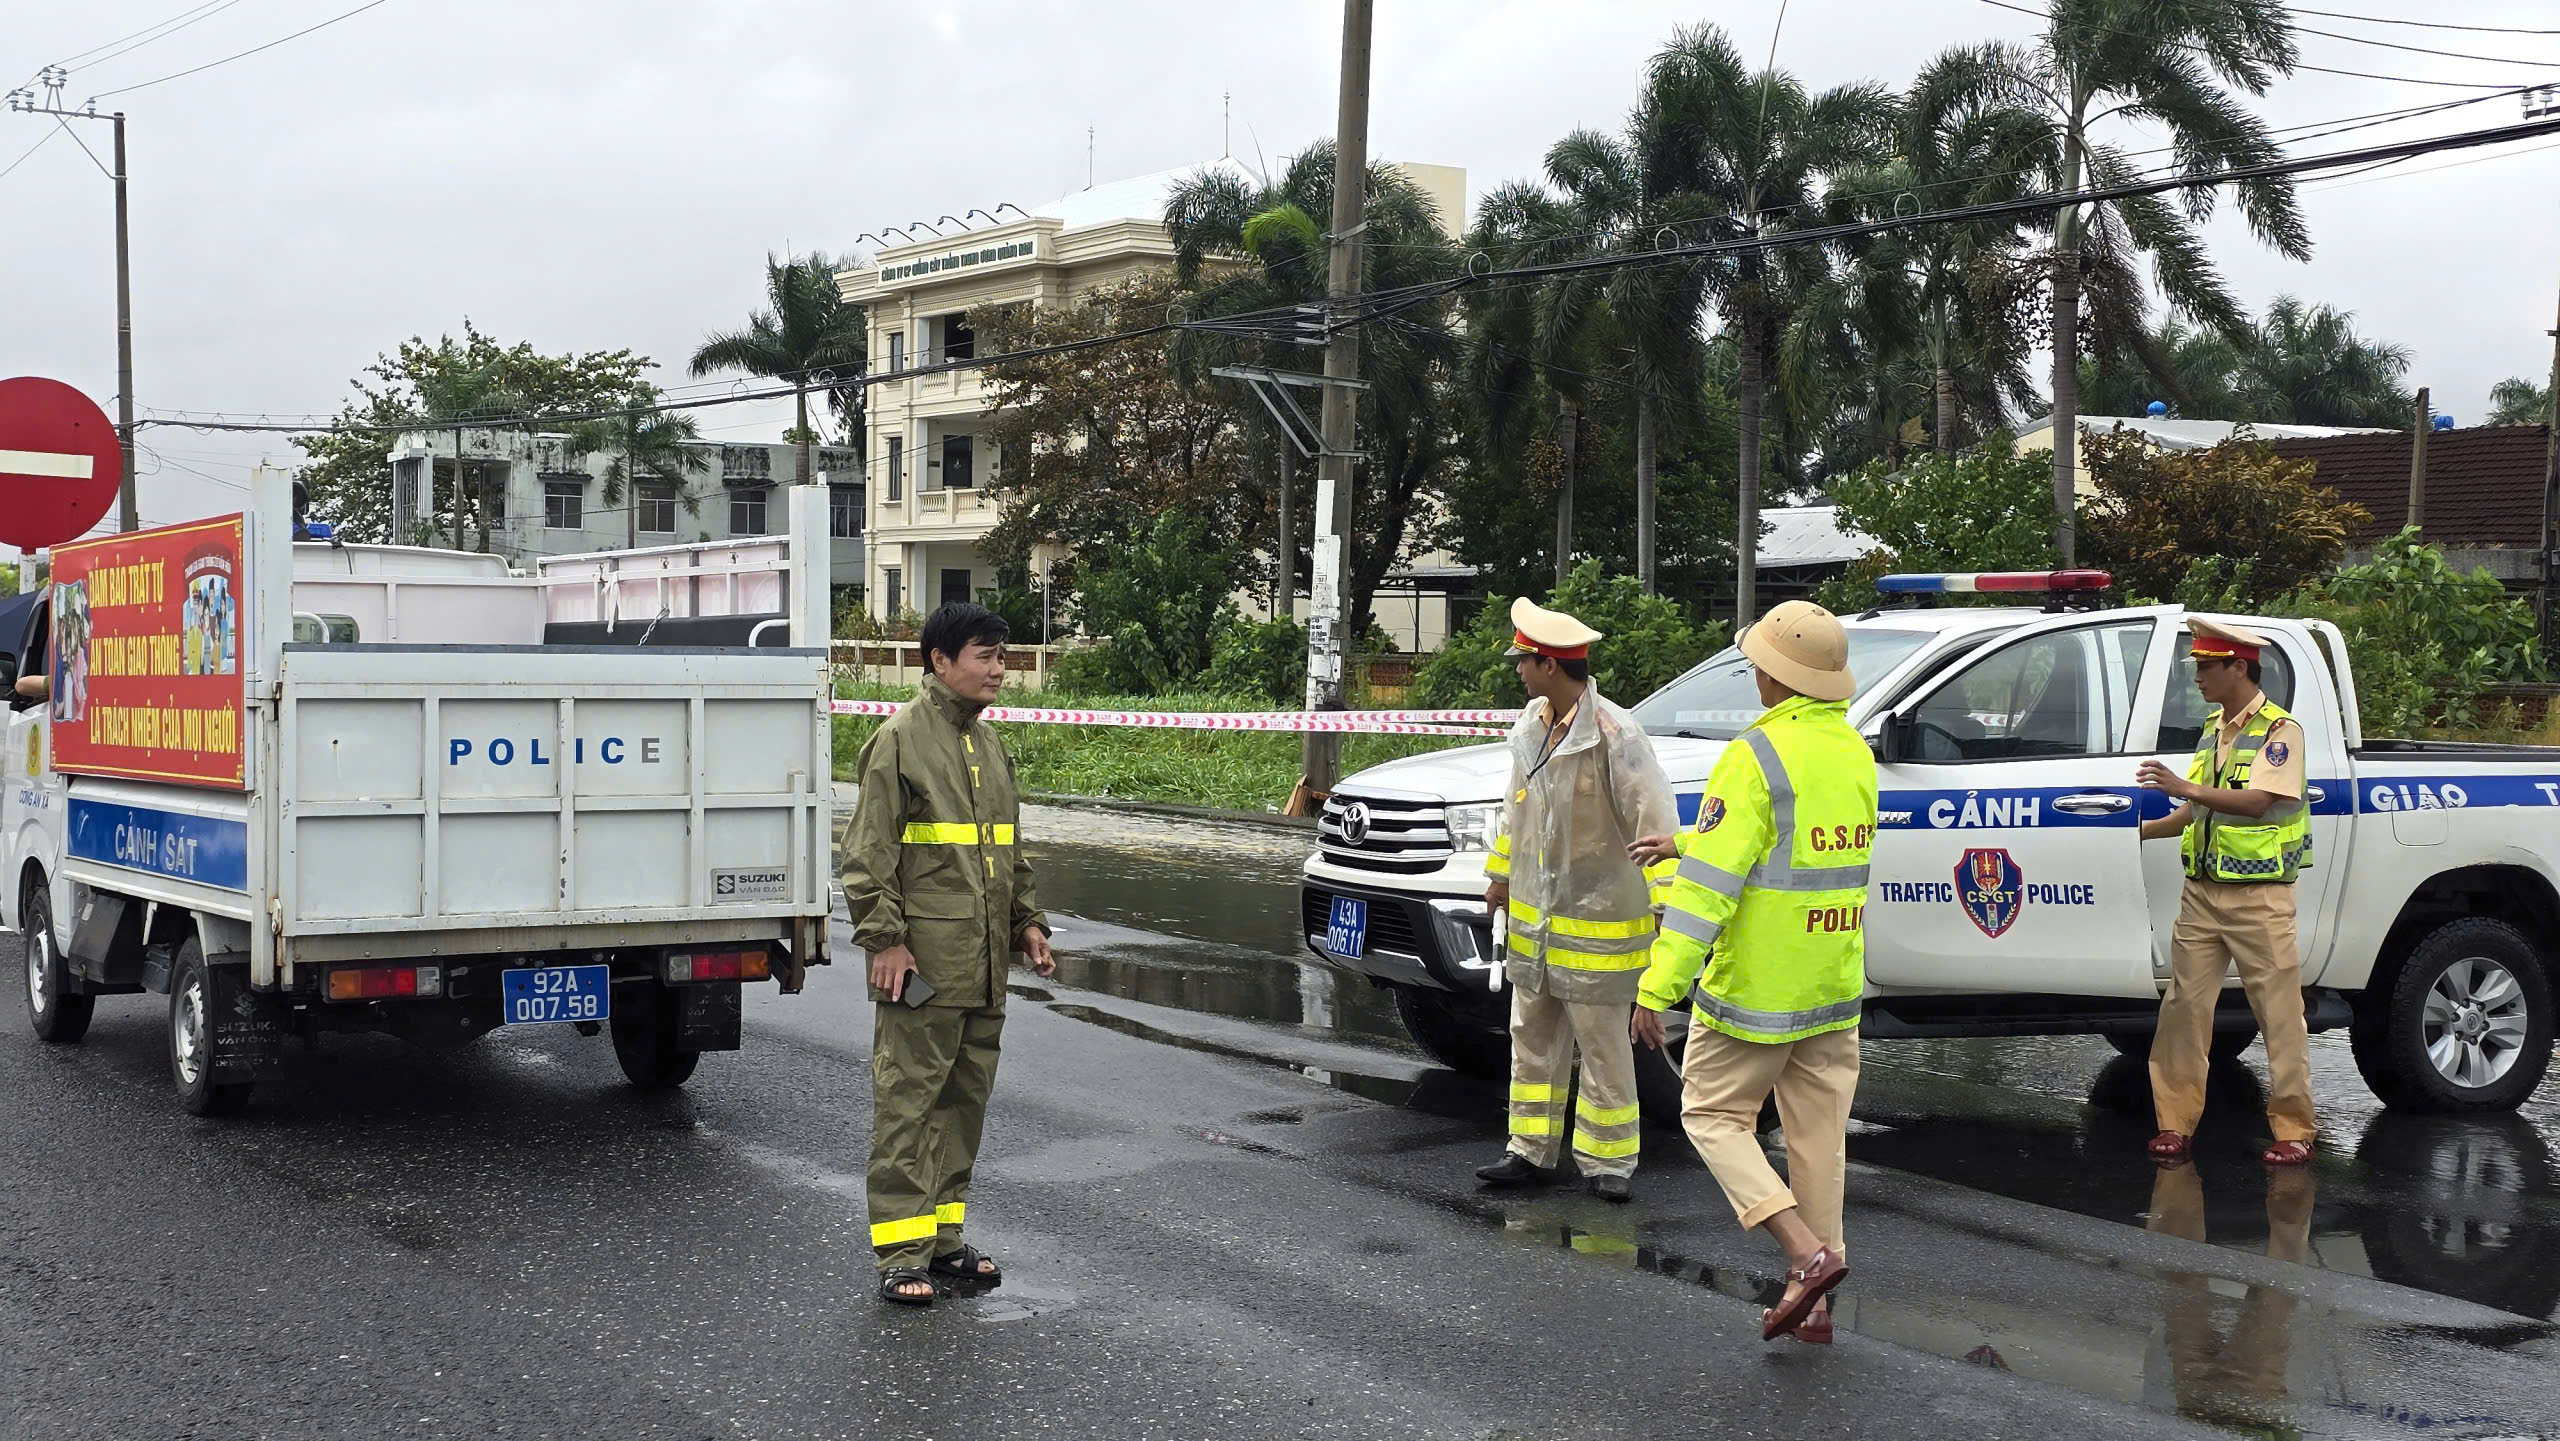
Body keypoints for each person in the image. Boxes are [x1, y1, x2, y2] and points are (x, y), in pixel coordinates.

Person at [1629, 600, 1875, 1345]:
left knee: (1711, 1114)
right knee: (1818, 1141)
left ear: (1773, 674)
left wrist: (1656, 988)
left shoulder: (1755, 755)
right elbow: (1785, 849)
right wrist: (1685, 839)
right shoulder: (1853, 752)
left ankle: (1806, 1253)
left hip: (1757, 996)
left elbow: (1708, 893)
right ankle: (1817, 1302)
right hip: (1832, 987)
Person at [841, 602, 1056, 1307]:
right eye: (984, 655)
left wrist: (1029, 923)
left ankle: (943, 1241)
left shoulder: (988, 746)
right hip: (921, 967)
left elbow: (1008, 852)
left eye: (1003, 655)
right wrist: (885, 938)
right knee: (909, 1104)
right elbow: (866, 859)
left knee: (963, 1104)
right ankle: (901, 1251)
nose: (999, 669)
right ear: (939, 660)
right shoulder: (900, 740)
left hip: (984, 967)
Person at [1475, 598, 1677, 1202]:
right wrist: (1500, 877)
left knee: (1603, 1048)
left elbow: (1656, 827)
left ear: (1551, 665)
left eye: (1524, 661)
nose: (1517, 670)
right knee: (1532, 1040)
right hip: (1538, 928)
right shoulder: (1530, 728)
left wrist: (1668, 917)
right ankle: (1529, 1153)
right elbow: (1515, 813)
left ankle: (1608, 1164)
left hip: (1600, 926)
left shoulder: (1617, 736)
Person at [2136, 617, 2317, 1167]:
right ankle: (2174, 1124)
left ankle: (2294, 1131)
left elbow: (2259, 801)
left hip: (2259, 897)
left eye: (2206, 666)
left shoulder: (2280, 731)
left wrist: (2183, 786)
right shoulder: (2213, 730)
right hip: (2203, 893)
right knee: (2184, 1011)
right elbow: (2197, 810)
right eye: (2197, 666)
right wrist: (2134, 832)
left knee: (2279, 1013)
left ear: (2238, 667)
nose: (2197, 677)